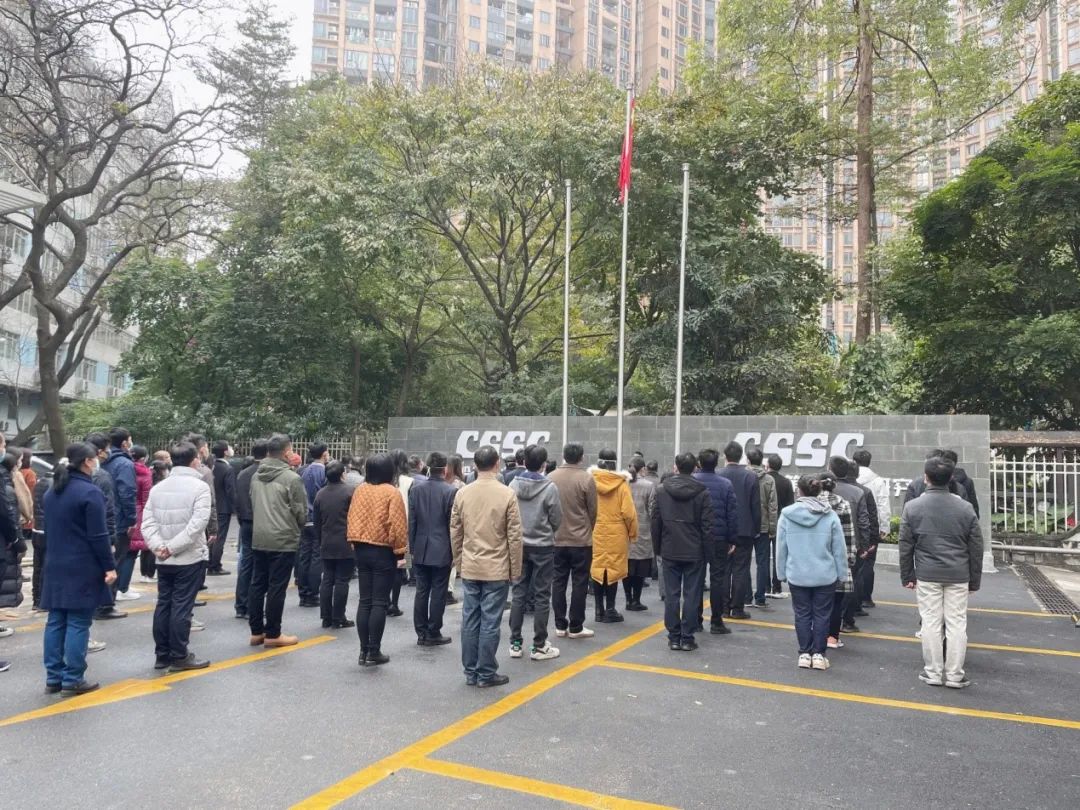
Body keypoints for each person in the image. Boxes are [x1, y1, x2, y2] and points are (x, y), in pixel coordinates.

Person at [899, 456, 983, 689]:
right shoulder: (965, 507)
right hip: (958, 574)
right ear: (950, 479)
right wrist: (974, 580)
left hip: (927, 573)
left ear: (926, 478)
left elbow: (905, 544)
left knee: (930, 623)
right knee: (957, 623)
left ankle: (933, 672)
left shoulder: (912, 507)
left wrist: (907, 575)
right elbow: (976, 546)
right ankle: (955, 675)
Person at [41, 443, 118, 696]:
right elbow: (99, 535)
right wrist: (109, 566)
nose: (97, 461)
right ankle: (73, 678)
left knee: (56, 620)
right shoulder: (89, 492)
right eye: (95, 458)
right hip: (82, 564)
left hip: (55, 562)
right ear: (87, 461)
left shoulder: (52, 491)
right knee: (78, 621)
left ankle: (53, 677)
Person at [451, 445, 522, 687]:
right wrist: (515, 569)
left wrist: (459, 561)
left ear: (475, 465)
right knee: (490, 621)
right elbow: (514, 536)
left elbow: (455, 531)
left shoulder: (462, 493)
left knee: (470, 618)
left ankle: (470, 671)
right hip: (496, 567)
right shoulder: (507, 494)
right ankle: (486, 672)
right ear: (497, 463)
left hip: (471, 565)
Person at [141, 441, 212, 672]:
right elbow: (197, 525)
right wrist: (172, 547)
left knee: (164, 603)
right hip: (188, 556)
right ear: (194, 460)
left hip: (163, 557)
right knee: (182, 606)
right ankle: (180, 655)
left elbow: (147, 523)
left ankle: (162, 654)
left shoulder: (158, 488)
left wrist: (160, 547)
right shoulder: (200, 487)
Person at [776, 475, 847, 672]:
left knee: (802, 614)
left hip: (797, 573)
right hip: (825, 574)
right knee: (822, 615)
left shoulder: (787, 515)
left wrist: (781, 573)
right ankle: (818, 655)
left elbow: (781, 547)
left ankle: (804, 654)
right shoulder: (830, 515)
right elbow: (839, 549)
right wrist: (842, 573)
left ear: (799, 491)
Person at [347, 454, 407, 666]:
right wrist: (401, 553)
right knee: (379, 602)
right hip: (383, 551)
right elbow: (398, 526)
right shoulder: (392, 492)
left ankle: (363, 651)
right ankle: (374, 650)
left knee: (365, 600)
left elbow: (351, 517)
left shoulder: (360, 490)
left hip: (360, 548)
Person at [248, 433, 306, 648]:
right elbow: (300, 511)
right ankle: (273, 632)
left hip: (259, 535)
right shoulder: (291, 478)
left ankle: (256, 631)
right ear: (286, 452)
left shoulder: (256, 475)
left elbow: (252, 501)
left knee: (257, 584)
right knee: (276, 587)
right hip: (283, 537)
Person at [653, 452, 715, 652]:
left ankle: (673, 637)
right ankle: (687, 637)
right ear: (695, 468)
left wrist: (657, 548)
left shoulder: (662, 490)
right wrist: (709, 553)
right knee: (692, 594)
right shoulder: (702, 492)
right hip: (694, 550)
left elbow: (656, 522)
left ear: (676, 467)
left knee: (671, 595)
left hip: (669, 548)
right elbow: (707, 526)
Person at [508, 445, 562, 661]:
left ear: (524, 462)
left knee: (518, 593)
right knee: (541, 595)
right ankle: (539, 645)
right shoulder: (550, 488)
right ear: (544, 464)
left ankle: (515, 643)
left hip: (519, 545)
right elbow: (556, 518)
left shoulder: (513, 484)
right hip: (543, 546)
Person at [548, 442, 598, 639]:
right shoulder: (586, 478)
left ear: (564, 455)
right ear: (581, 457)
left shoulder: (551, 477)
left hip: (557, 538)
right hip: (580, 540)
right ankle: (576, 626)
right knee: (580, 582)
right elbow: (593, 510)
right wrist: (587, 528)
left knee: (558, 581)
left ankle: (560, 625)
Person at [409, 451, 458, 646]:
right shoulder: (450, 491)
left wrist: (411, 549)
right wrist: (455, 551)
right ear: (445, 469)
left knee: (422, 590)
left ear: (428, 467)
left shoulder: (416, 490)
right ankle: (433, 630)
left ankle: (421, 632)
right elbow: (452, 525)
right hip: (442, 548)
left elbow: (411, 522)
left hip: (420, 547)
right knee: (438, 591)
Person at [692, 449, 739, 634]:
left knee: (696, 579)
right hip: (719, 538)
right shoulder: (725, 484)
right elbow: (732, 514)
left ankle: (696, 620)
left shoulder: (692, 481)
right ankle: (716, 622)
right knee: (717, 580)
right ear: (716, 463)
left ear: (699, 463)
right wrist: (732, 539)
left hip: (696, 537)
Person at [589, 448, 637, 624]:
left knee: (597, 567)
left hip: (596, 530)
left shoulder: (590, 481)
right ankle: (610, 609)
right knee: (613, 570)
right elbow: (629, 513)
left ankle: (598, 610)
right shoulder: (621, 484)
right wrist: (633, 533)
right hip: (617, 533)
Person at [828, 456, 872, 633]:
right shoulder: (858, 492)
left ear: (830, 469)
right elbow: (864, 521)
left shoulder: (823, 490)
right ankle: (846, 621)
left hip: (825, 545)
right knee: (848, 584)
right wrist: (864, 546)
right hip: (850, 545)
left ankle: (826, 623)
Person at [85, 432, 126, 622]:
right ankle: (104, 605)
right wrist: (110, 538)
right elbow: (108, 510)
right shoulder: (101, 476)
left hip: (78, 534)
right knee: (107, 567)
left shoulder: (65, 473)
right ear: (100, 452)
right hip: (99, 531)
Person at [718, 441, 760, 621]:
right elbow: (756, 506)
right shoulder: (750, 476)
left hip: (723, 530)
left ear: (725, 455)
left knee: (723, 570)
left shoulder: (719, 474)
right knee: (741, 570)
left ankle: (723, 608)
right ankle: (737, 608)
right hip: (745, 530)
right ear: (742, 456)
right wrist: (756, 528)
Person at [313, 460, 356, 630]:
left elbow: (317, 522)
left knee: (327, 579)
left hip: (326, 541)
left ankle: (326, 617)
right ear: (342, 474)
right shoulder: (350, 492)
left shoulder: (320, 494)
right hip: (345, 542)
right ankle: (339, 617)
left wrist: (320, 540)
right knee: (342, 581)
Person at [816, 473, 856, 651]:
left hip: (815, 557)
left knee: (816, 600)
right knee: (836, 600)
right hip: (837, 557)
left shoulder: (809, 505)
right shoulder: (843, 504)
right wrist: (850, 558)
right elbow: (848, 534)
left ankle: (817, 634)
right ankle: (832, 638)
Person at [233, 439, 267, 619]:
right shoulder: (264, 473)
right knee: (259, 566)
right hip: (261, 522)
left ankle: (241, 605)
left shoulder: (243, 474)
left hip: (246, 521)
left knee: (246, 564)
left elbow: (237, 500)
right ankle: (252, 606)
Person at [853, 448, 890, 609]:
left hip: (853, 524)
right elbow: (883, 504)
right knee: (868, 563)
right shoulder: (877, 481)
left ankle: (852, 598)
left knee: (853, 563)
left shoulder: (849, 480)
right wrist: (885, 526)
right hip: (871, 526)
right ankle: (866, 598)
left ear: (854, 461)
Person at [745, 448, 778, 609]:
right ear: (762, 462)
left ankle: (746, 597)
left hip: (745, 526)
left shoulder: (744, 476)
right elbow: (773, 507)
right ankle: (760, 598)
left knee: (744, 563)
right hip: (763, 527)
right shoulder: (769, 479)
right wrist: (773, 528)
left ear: (748, 461)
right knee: (762, 563)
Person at [297, 442, 329, 606]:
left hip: (304, 518)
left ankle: (303, 592)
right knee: (316, 557)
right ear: (324, 454)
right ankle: (312, 593)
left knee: (304, 556)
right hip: (317, 519)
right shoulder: (324, 472)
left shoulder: (304, 471)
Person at [121, 445, 153, 601]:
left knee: (122, 552)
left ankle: (119, 585)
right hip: (139, 515)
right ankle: (122, 588)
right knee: (131, 553)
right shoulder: (145, 473)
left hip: (122, 513)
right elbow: (146, 498)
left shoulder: (123, 468)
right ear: (143, 458)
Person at [626, 458, 657, 612]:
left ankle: (628, 599)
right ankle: (636, 600)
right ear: (643, 469)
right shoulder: (648, 486)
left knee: (627, 567)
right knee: (640, 569)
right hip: (643, 532)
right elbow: (652, 510)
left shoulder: (624, 483)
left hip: (625, 531)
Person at [766, 454, 794, 598]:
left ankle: (765, 587)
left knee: (763, 557)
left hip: (765, 522)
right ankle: (777, 587)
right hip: (781, 522)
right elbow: (790, 505)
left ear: (768, 465)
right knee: (779, 555)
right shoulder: (786, 482)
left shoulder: (763, 480)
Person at [389, 449, 414, 615]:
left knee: (386, 568)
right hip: (404, 530)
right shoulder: (410, 482)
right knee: (400, 567)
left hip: (385, 529)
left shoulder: (384, 479)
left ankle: (385, 601)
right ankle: (394, 604)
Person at [208, 440, 237, 576]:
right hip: (223, 508)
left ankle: (209, 563)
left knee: (210, 535)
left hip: (211, 505)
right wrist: (235, 508)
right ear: (225, 452)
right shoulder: (228, 469)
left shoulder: (211, 466)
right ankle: (215, 566)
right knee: (220, 538)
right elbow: (231, 491)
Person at [444, 453, 466, 605]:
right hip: (454, 527)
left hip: (440, 526)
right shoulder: (461, 485)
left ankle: (444, 590)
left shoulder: (443, 484)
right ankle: (448, 591)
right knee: (451, 560)